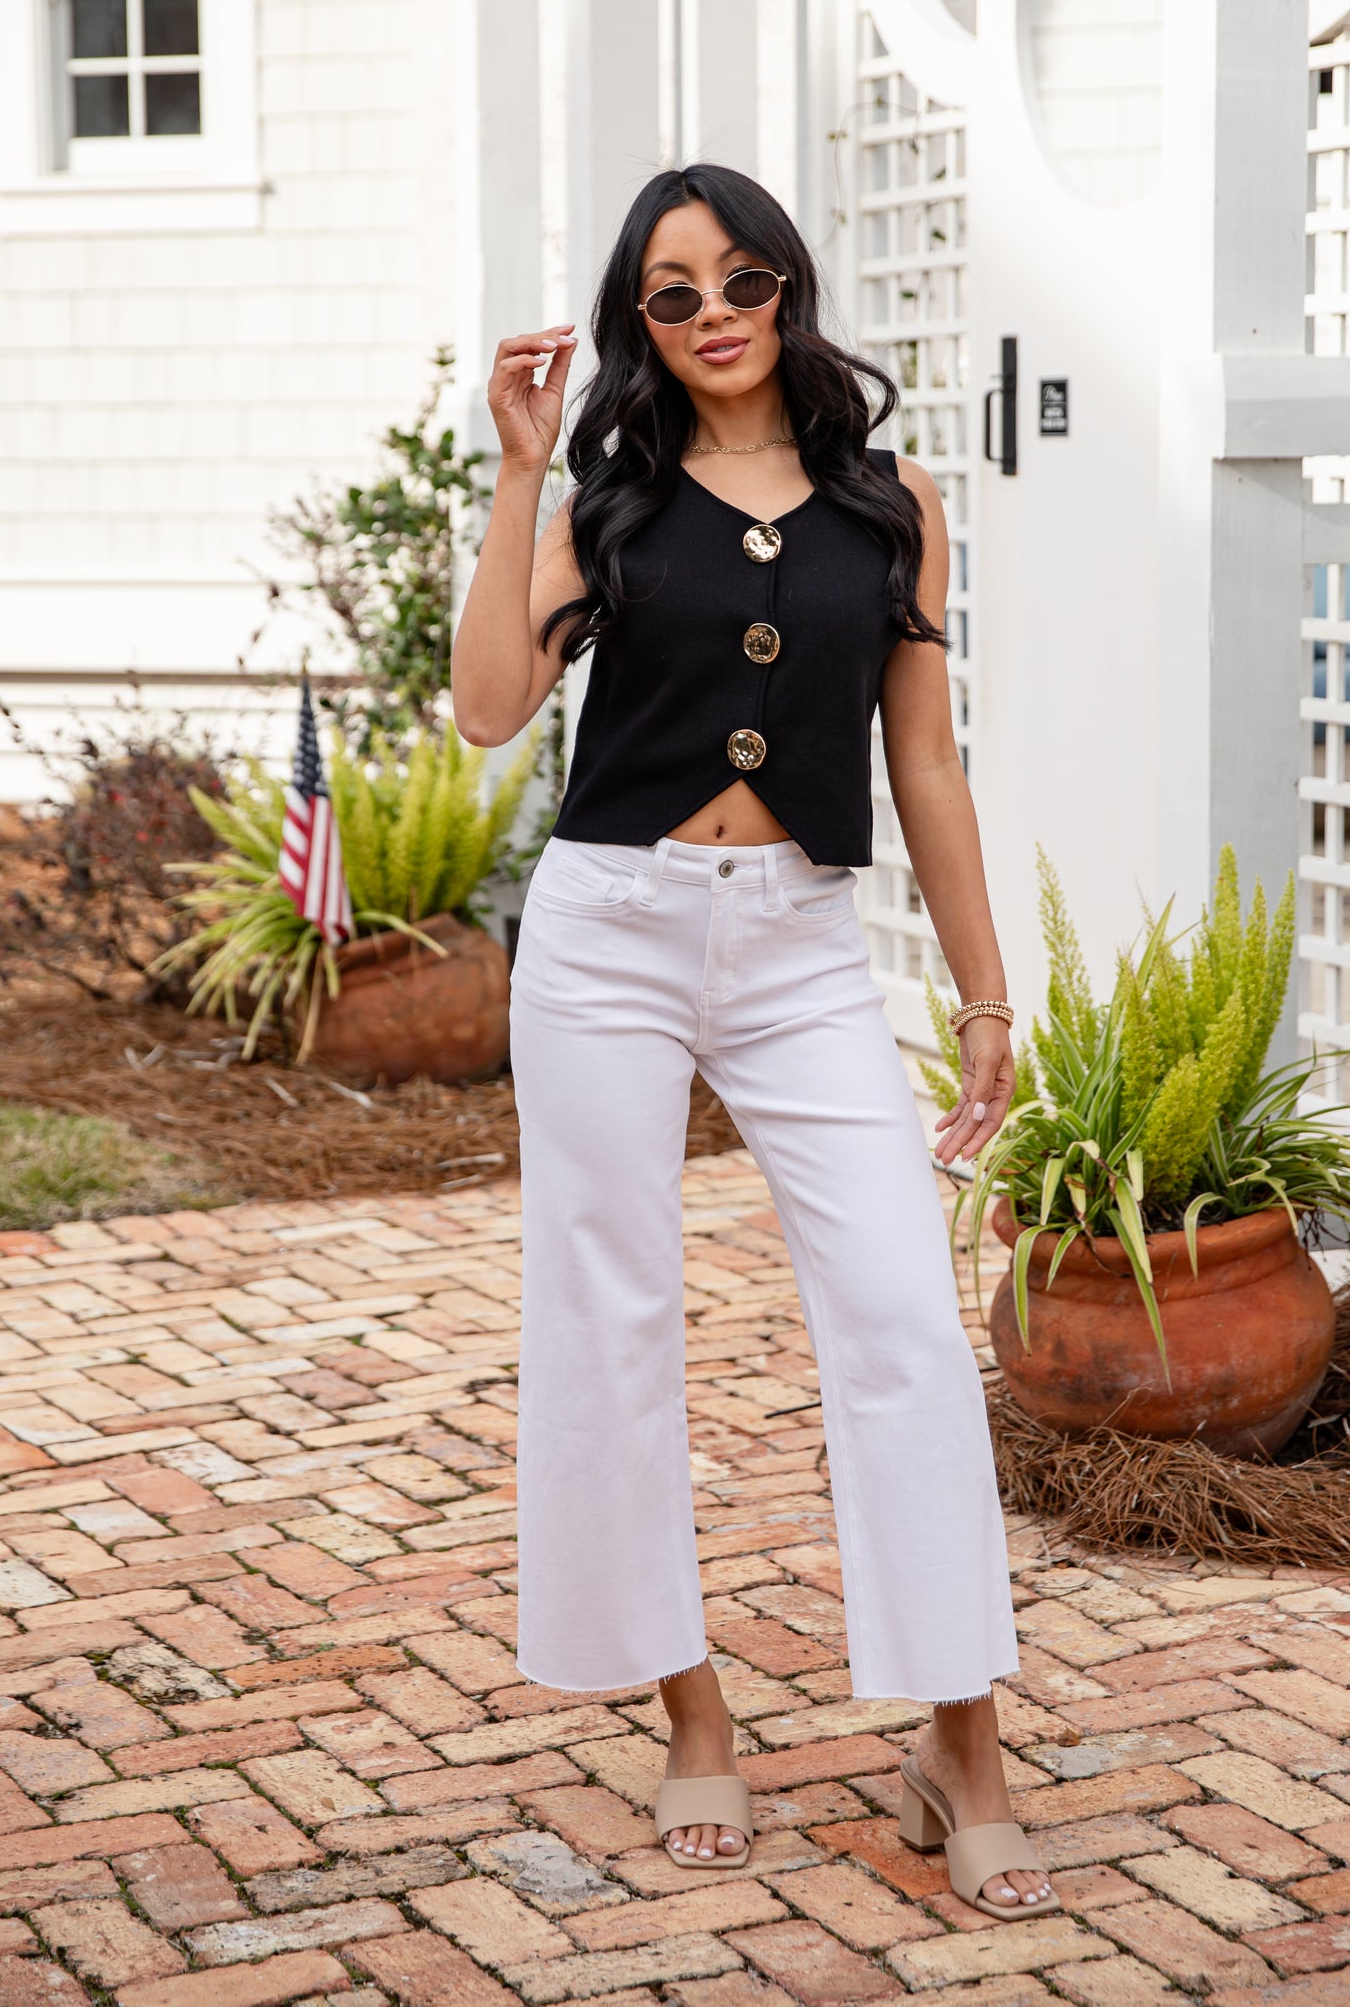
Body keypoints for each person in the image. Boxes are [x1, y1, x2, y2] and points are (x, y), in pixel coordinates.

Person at [452, 163, 1051, 1917]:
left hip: (798, 948)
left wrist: (984, 994)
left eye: (738, 278)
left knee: (902, 1325)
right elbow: (491, 705)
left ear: (788, 284)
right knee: (611, 1320)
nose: (711, 312)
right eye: (670, 294)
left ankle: (965, 1739)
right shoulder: (614, 507)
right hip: (607, 939)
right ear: (641, 327)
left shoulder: (892, 505)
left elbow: (924, 766)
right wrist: (515, 470)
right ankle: (692, 1712)